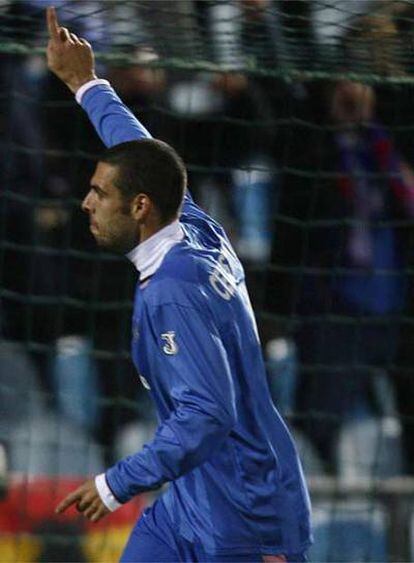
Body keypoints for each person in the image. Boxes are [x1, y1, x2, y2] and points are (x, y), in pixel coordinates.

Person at [46, 7, 312, 562]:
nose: (85, 203)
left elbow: (207, 414)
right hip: (189, 501)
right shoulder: (194, 227)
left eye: (99, 193)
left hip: (243, 519)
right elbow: (142, 151)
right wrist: (85, 84)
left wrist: (114, 484)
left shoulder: (173, 292)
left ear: (140, 207)